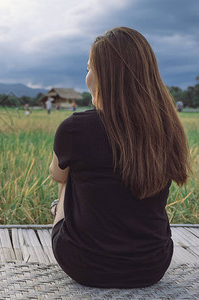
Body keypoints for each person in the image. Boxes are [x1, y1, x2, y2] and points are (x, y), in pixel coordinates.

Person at [49, 27, 190, 288]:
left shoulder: (74, 128)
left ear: (104, 76)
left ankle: (58, 211)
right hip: (152, 265)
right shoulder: (167, 126)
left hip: (84, 263)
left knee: (66, 178)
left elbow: (57, 175)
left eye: (90, 68)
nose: (87, 76)